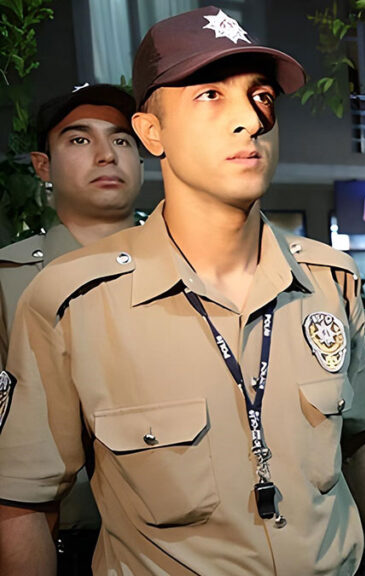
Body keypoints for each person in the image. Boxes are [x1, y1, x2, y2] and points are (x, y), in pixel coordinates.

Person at [0, 7, 365, 575]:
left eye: (261, 96)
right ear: (151, 133)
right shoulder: (71, 300)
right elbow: (24, 502)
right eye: (210, 95)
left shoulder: (330, 279)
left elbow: (361, 445)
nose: (250, 120)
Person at [0, 83, 142, 576]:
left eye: (122, 140)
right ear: (43, 166)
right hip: (57, 544)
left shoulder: (196, 273)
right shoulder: (9, 283)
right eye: (79, 140)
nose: (106, 155)